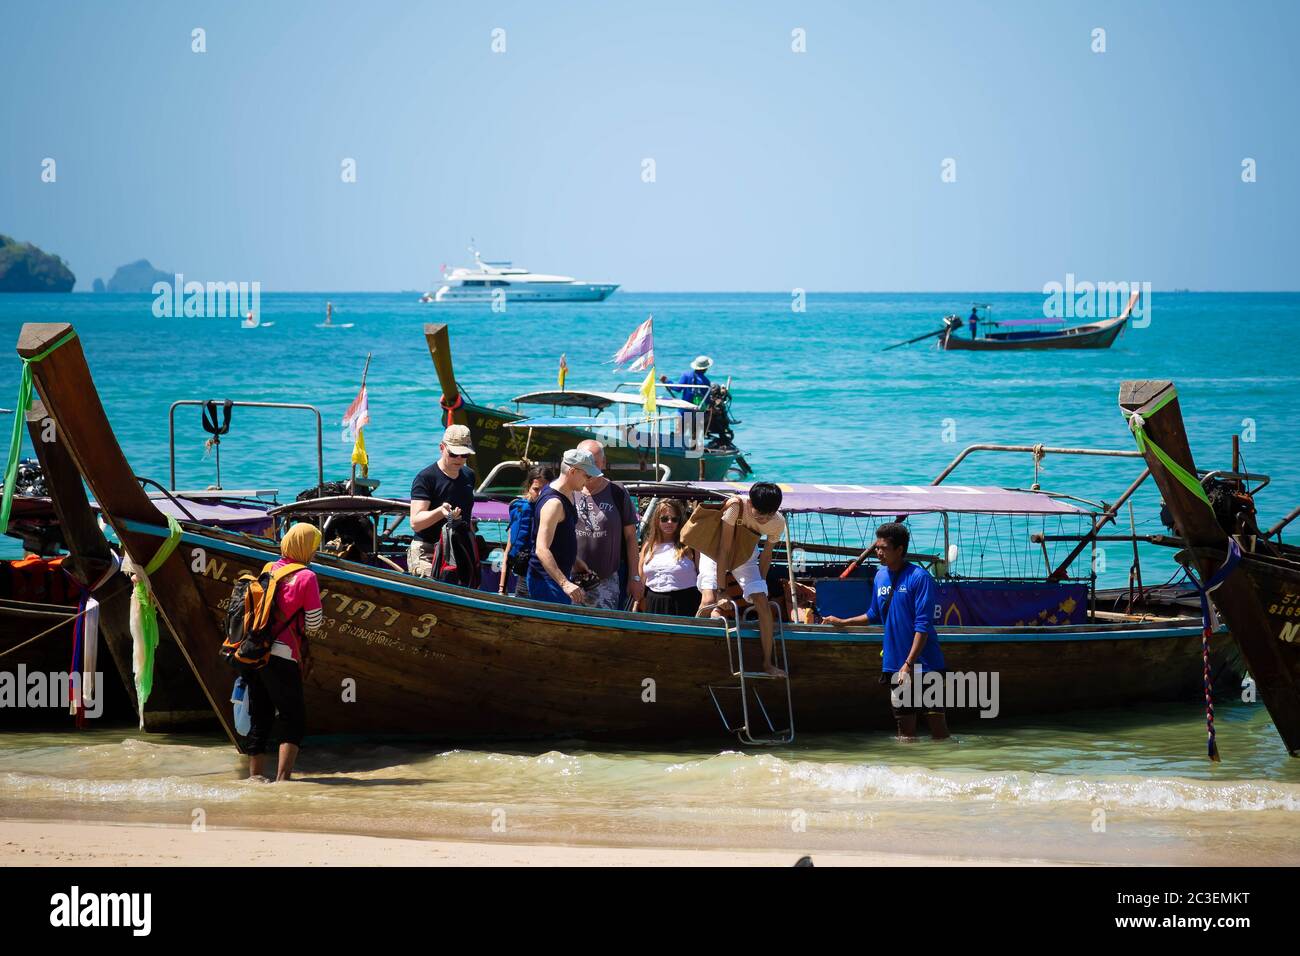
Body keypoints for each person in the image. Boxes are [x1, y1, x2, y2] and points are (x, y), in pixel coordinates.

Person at [822, 522, 949, 741]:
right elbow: (873, 614)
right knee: (905, 733)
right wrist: (843, 621)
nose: (878, 553)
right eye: (876, 548)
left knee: (938, 730)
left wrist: (909, 664)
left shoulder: (919, 578)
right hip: (894, 664)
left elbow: (923, 625)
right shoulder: (880, 576)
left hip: (925, 665)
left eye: (883, 548)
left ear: (899, 550)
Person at [247, 522, 323, 782]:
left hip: (256, 653)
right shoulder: (307, 577)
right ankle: (282, 780)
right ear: (304, 547)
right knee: (293, 719)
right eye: (314, 546)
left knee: (260, 717)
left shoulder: (268, 569)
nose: (314, 552)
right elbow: (314, 624)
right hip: (282, 655)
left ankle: (255, 778)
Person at [696, 481, 787, 677]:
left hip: (745, 555)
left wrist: (759, 587)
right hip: (715, 551)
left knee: (763, 601)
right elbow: (724, 549)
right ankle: (692, 648)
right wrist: (721, 591)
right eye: (758, 514)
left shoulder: (778, 522)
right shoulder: (735, 507)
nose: (763, 519)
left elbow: (766, 556)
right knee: (709, 600)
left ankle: (767, 663)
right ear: (750, 504)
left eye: (768, 515)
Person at [573, 439, 642, 609]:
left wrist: (635, 577)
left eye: (594, 462)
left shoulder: (617, 492)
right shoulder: (567, 491)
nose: (589, 468)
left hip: (605, 582)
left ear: (603, 463)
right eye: (584, 462)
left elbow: (631, 537)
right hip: (570, 581)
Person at [527, 449, 600, 605]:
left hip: (558, 577)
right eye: (587, 475)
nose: (589, 480)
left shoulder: (568, 493)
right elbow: (542, 548)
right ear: (573, 471)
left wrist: (576, 562)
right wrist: (565, 584)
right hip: (547, 582)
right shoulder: (554, 503)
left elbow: (560, 539)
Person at [409, 424, 477, 581]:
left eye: (464, 454)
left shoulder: (469, 475)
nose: (459, 459)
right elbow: (415, 522)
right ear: (442, 448)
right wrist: (440, 512)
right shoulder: (426, 478)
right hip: (427, 550)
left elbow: (467, 515)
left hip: (458, 548)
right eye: (453, 454)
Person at [500, 464, 556, 597]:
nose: (540, 494)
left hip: (550, 577)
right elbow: (509, 549)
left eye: (545, 489)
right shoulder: (520, 509)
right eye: (536, 489)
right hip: (525, 575)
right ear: (529, 488)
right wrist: (502, 588)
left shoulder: (558, 510)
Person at [638, 498, 700, 616]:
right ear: (657, 521)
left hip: (685, 603)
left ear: (680, 521)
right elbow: (641, 581)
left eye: (674, 519)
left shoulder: (690, 546)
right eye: (664, 519)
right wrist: (637, 603)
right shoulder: (648, 546)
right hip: (654, 603)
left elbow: (703, 575)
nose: (669, 522)